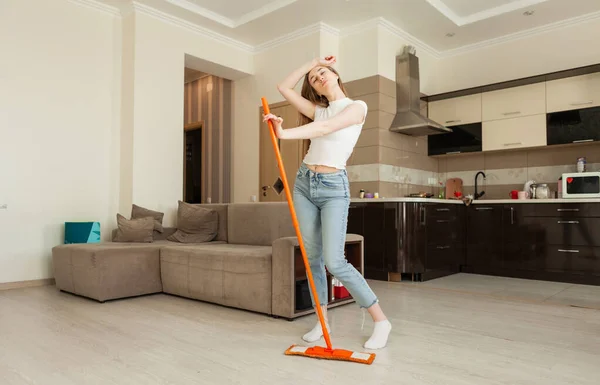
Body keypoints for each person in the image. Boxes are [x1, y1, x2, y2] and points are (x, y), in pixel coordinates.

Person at [262, 55, 392, 350]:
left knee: (335, 260)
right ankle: (322, 322)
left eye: (322, 72)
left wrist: (283, 133)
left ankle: (381, 321)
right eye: (312, 78)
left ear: (335, 75)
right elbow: (283, 87)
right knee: (312, 260)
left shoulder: (357, 107)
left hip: (334, 188)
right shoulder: (317, 109)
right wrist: (310, 62)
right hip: (304, 185)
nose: (317, 77)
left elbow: (324, 130)